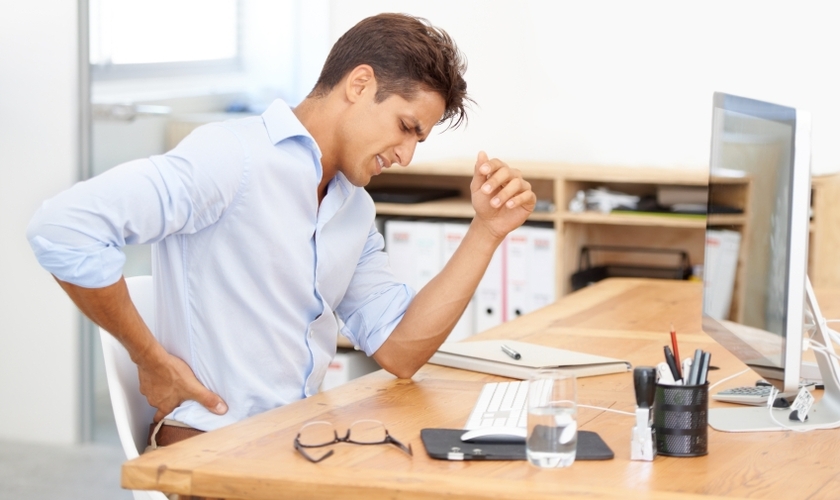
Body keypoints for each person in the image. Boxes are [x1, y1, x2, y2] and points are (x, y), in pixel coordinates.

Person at [27, 13, 536, 442]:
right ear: (359, 85)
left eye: (418, 141)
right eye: (407, 127)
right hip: (212, 443)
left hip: (295, 440)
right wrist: (150, 358)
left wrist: (486, 231)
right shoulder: (233, 158)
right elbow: (64, 227)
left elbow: (400, 351)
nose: (405, 156)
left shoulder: (352, 210)